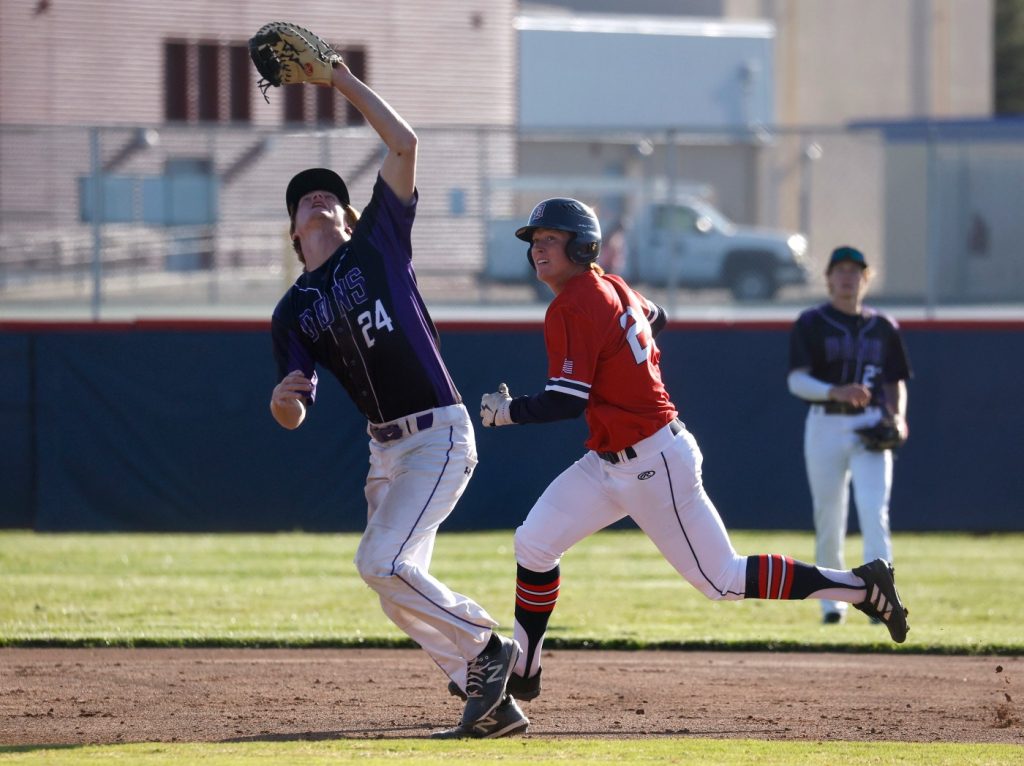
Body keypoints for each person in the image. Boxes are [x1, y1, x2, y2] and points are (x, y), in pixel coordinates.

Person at [477, 199, 910, 704]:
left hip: (652, 462)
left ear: (582, 245)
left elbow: (566, 401)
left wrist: (506, 412)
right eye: (534, 241)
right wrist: (621, 352)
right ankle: (524, 671)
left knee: (722, 580)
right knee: (533, 544)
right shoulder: (611, 286)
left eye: (550, 239)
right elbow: (653, 316)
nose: (537, 250)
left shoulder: (575, 302)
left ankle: (860, 587)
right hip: (612, 459)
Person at [266, 45, 524, 739]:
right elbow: (295, 408)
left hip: (439, 434)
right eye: (303, 198)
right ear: (294, 235)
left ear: (349, 217)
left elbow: (405, 143)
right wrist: (282, 402)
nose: (317, 196)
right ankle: (490, 701)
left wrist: (341, 80)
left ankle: (489, 648)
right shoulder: (292, 311)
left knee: (380, 563)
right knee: (392, 585)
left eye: (328, 193)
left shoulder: (378, 243)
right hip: (385, 457)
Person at [787, 246, 912, 625]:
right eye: (839, 270)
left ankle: (881, 603)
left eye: (854, 270)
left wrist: (899, 417)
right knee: (830, 516)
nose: (846, 277)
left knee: (875, 513)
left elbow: (895, 381)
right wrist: (833, 391)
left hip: (870, 425)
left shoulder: (884, 326)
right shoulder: (811, 321)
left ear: (865, 277)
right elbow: (796, 380)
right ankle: (831, 603)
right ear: (828, 278)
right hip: (826, 421)